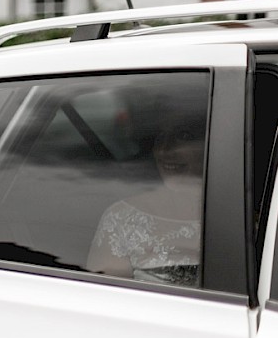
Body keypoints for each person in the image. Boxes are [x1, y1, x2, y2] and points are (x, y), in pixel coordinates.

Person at [86, 118, 204, 285]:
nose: (164, 150)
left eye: (183, 136)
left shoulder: (245, 218)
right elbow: (104, 301)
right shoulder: (122, 219)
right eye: (159, 138)